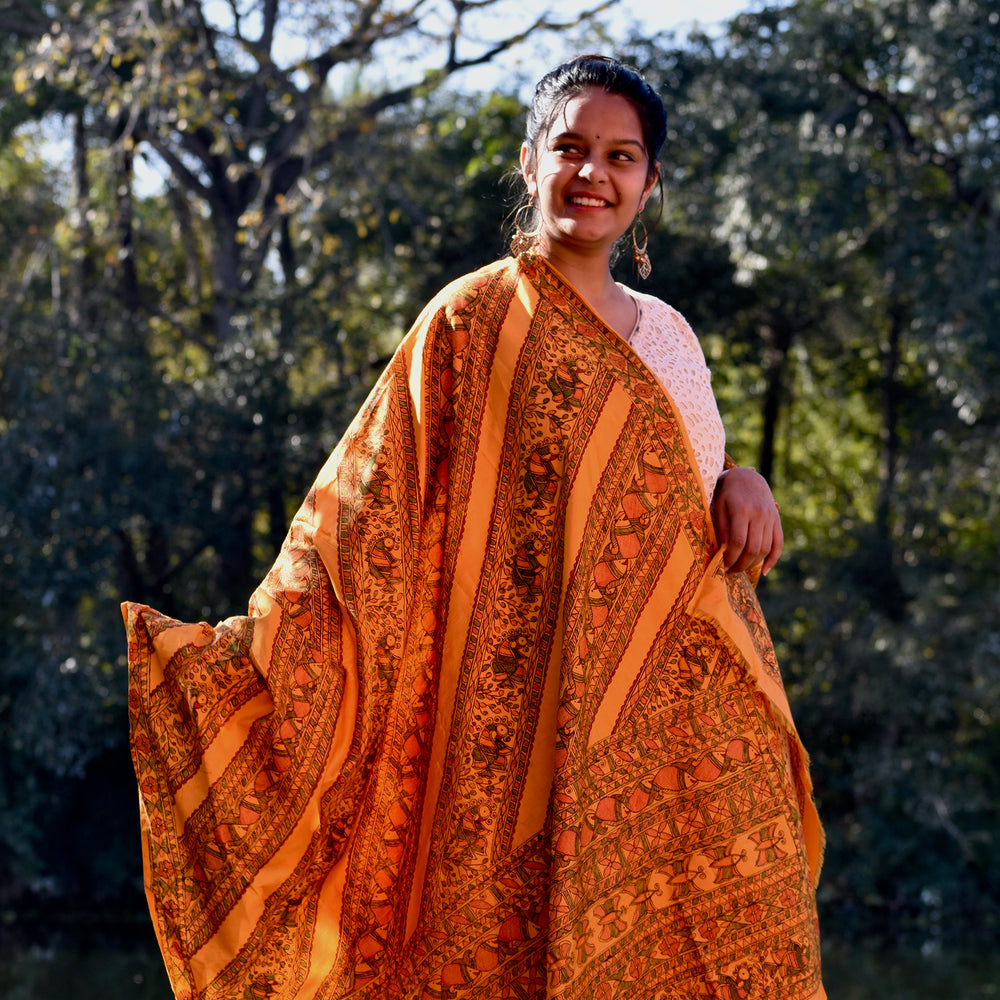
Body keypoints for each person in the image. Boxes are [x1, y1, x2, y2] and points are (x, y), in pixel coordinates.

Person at [125, 54, 825, 1000]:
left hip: (665, 736)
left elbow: (679, 525)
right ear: (531, 161)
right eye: (572, 148)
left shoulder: (669, 336)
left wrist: (746, 480)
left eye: (622, 157)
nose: (595, 174)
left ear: (649, 183)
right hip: (501, 738)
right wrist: (243, 659)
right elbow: (363, 515)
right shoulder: (469, 320)